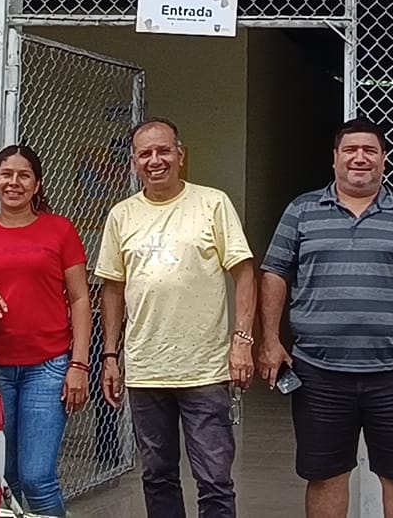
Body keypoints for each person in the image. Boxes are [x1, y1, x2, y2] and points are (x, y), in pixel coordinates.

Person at [258, 117, 393, 518]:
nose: (360, 158)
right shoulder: (302, 211)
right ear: (334, 158)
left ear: (384, 159)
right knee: (326, 476)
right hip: (319, 372)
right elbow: (275, 273)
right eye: (350, 150)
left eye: (370, 150)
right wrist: (270, 340)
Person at [94, 118, 256, 518]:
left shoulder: (212, 203)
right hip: (146, 370)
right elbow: (112, 289)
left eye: (164, 151)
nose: (155, 160)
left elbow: (244, 273)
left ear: (180, 156)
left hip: (205, 370)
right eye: (145, 154)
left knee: (215, 480)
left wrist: (242, 341)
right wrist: (110, 355)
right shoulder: (121, 216)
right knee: (157, 476)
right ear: (134, 162)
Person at [0, 144, 92, 516]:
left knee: (37, 478)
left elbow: (80, 298)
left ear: (37, 185)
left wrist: (79, 364)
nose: (14, 182)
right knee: (5, 478)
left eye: (24, 175)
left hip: (48, 367)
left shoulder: (60, 230)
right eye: (6, 174)